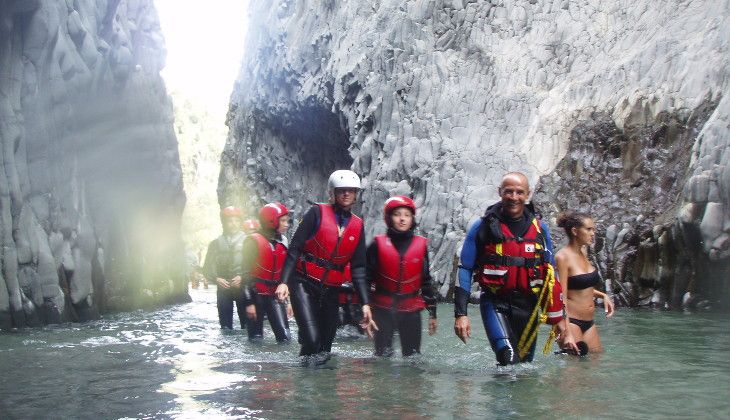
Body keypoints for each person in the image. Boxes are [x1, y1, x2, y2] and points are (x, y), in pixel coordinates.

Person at [454, 172, 579, 365]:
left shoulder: (540, 229)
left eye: (519, 192)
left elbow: (550, 275)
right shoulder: (482, 227)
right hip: (495, 302)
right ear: (500, 192)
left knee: (525, 366)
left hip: (529, 305)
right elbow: (465, 268)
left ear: (527, 194)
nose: (514, 197)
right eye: (508, 191)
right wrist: (461, 314)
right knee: (508, 356)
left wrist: (561, 322)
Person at [275, 169, 376, 364]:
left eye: (351, 190)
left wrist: (365, 303)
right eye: (341, 190)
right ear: (333, 193)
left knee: (325, 347)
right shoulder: (316, 212)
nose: (346, 194)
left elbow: (359, 269)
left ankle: (319, 388)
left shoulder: (357, 225)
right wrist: (283, 282)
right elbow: (295, 248)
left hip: (331, 290)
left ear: (356, 194)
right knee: (312, 341)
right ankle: (304, 386)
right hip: (303, 283)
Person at [367, 196, 438, 357]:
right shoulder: (377, 244)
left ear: (412, 219)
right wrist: (366, 308)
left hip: (410, 309)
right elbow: (366, 278)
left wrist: (432, 313)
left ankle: (410, 383)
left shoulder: (420, 245)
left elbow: (426, 280)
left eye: (406, 215)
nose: (402, 219)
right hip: (383, 309)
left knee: (413, 357)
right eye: (397, 214)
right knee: (382, 356)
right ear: (389, 218)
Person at [555, 211, 615, 352]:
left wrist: (603, 295)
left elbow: (580, 287)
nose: (593, 233)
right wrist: (566, 332)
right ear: (575, 231)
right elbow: (560, 295)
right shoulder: (562, 257)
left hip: (589, 322)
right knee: (573, 370)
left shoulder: (583, 252)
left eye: (593, 229)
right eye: (588, 229)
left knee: (595, 362)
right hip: (570, 323)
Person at [243, 202, 292, 342]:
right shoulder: (252, 241)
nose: (287, 224)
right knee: (256, 339)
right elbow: (245, 273)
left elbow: (285, 276)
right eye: (283, 221)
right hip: (255, 295)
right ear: (271, 221)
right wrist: (249, 303)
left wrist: (289, 302)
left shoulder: (284, 242)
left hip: (275, 296)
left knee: (285, 338)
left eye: (287, 220)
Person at [203, 206, 251, 329]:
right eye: (229, 221)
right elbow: (207, 267)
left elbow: (255, 265)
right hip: (223, 287)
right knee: (225, 328)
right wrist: (217, 278)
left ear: (240, 222)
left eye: (236, 221)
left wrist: (242, 277)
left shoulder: (249, 242)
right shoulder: (215, 244)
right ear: (224, 223)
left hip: (243, 287)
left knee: (247, 327)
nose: (233, 224)